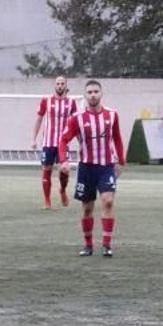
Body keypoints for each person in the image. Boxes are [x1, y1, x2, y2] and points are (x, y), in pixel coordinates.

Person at [61, 79, 124, 258]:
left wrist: (121, 161)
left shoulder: (112, 115)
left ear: (101, 94)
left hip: (106, 166)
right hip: (86, 168)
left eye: (96, 91)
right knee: (88, 208)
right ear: (85, 95)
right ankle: (88, 245)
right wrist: (64, 160)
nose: (93, 95)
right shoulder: (77, 119)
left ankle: (106, 245)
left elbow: (117, 138)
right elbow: (63, 140)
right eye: (89, 92)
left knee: (108, 201)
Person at [31, 75, 79, 209]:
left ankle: (62, 190)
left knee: (65, 170)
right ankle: (47, 201)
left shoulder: (71, 102)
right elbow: (39, 120)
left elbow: (76, 123)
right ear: (54, 85)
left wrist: (81, 140)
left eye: (62, 83)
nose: (60, 86)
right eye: (57, 83)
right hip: (48, 143)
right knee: (47, 170)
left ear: (65, 86)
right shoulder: (46, 100)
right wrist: (33, 139)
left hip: (63, 143)